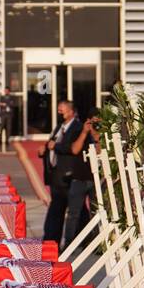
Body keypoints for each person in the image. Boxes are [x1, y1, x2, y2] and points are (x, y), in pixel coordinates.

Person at [42, 99, 82, 247]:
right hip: (55, 175)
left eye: (62, 110)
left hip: (67, 175)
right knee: (58, 210)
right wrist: (45, 149)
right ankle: (51, 242)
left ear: (71, 112)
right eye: (58, 110)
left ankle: (53, 242)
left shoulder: (77, 128)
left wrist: (55, 146)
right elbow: (51, 143)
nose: (59, 113)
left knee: (69, 211)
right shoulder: (59, 127)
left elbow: (72, 148)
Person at [63, 107, 99, 247]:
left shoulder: (102, 134)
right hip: (79, 178)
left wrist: (97, 136)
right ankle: (69, 243)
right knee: (73, 214)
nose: (95, 125)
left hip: (95, 179)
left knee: (97, 212)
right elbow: (75, 150)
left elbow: (101, 151)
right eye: (93, 122)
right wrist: (85, 132)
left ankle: (97, 244)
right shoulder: (79, 131)